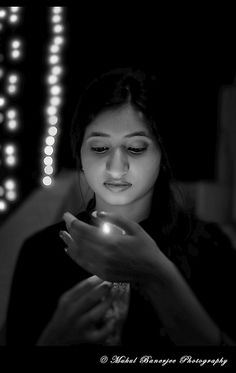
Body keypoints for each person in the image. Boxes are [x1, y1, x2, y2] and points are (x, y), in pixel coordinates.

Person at [5, 67, 236, 347]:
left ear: (162, 154)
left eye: (136, 148)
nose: (116, 168)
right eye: (100, 148)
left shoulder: (210, 250)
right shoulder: (40, 253)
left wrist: (158, 276)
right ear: (79, 152)